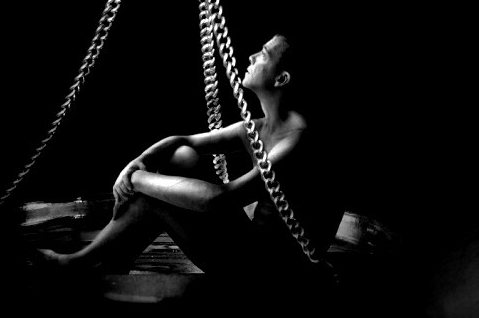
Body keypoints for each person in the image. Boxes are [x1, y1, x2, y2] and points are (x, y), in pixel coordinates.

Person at [33, 34, 345, 279]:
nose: (251, 57)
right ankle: (112, 261)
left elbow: (219, 199)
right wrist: (136, 164)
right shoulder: (260, 126)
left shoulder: (294, 141)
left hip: (268, 271)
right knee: (180, 156)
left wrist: (138, 180)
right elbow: (182, 141)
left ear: (281, 79)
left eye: (263, 54)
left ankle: (78, 263)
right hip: (250, 246)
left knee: (153, 196)